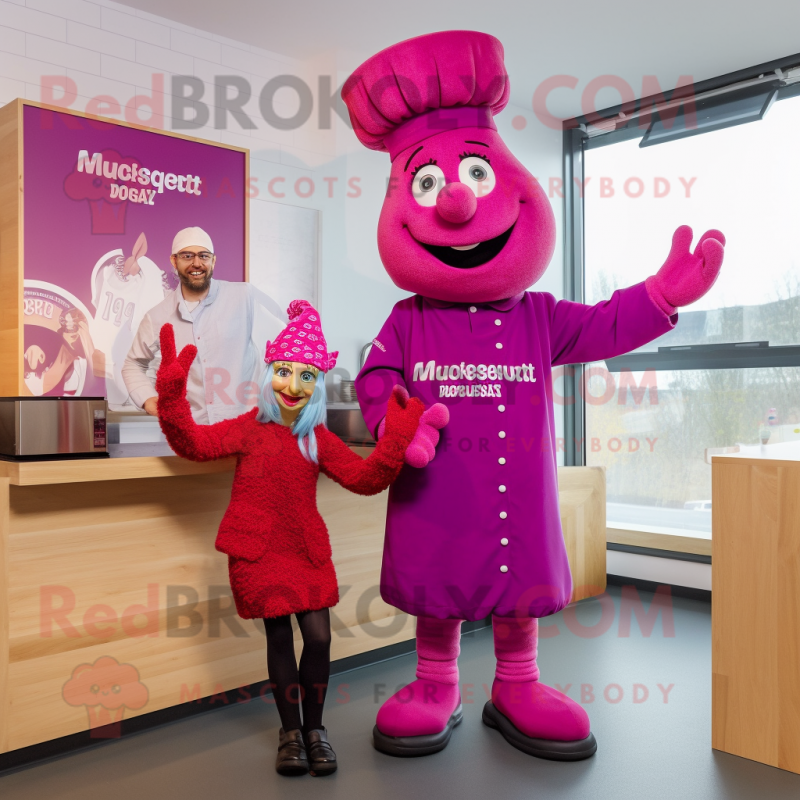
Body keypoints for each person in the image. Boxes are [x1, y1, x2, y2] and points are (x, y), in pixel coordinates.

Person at [343, 30, 726, 760]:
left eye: (474, 177)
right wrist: (401, 424)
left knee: (518, 585)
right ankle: (436, 684)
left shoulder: (537, 316)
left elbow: (605, 325)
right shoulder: (409, 319)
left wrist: (658, 297)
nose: (455, 201)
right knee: (439, 586)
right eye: (427, 184)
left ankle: (516, 685)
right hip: (437, 491)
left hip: (514, 488)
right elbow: (377, 377)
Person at [154, 300, 427, 777]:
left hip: (304, 549)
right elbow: (192, 444)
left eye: (306, 376)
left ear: (317, 385)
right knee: (279, 638)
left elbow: (366, 479)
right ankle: (290, 735)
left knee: (318, 638)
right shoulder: (249, 428)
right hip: (257, 551)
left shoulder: (316, 437)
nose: (292, 386)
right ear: (269, 374)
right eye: (284, 372)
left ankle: (315, 729)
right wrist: (172, 395)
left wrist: (396, 441)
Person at [122, 226, 285, 423]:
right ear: (174, 260)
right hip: (191, 432)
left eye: (204, 256)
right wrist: (148, 399)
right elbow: (133, 364)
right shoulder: (157, 316)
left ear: (213, 261)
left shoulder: (244, 296)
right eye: (187, 256)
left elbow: (286, 337)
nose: (197, 263)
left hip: (245, 427)